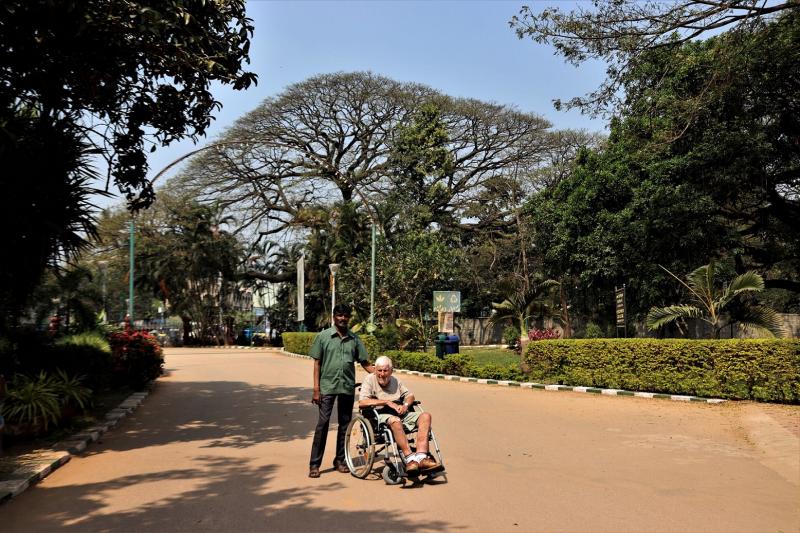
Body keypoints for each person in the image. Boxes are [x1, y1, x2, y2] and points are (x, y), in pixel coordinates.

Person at [308, 303, 374, 478]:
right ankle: (314, 464)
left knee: (345, 426)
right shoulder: (323, 337)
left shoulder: (354, 339)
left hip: (346, 387)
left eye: (346, 316)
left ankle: (340, 461)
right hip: (326, 388)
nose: (343, 318)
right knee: (322, 425)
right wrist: (316, 389)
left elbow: (365, 363)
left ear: (349, 318)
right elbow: (317, 364)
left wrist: (383, 373)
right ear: (334, 317)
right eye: (340, 315)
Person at [358, 355, 440, 474]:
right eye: (379, 370)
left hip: (399, 412)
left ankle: (422, 457)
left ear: (391, 371)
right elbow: (362, 402)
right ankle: (410, 459)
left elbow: (410, 395)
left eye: (385, 371)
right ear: (375, 370)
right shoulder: (370, 379)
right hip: (380, 414)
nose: (382, 374)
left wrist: (406, 405)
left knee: (425, 416)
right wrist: (386, 402)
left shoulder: (396, 380)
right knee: (395, 421)